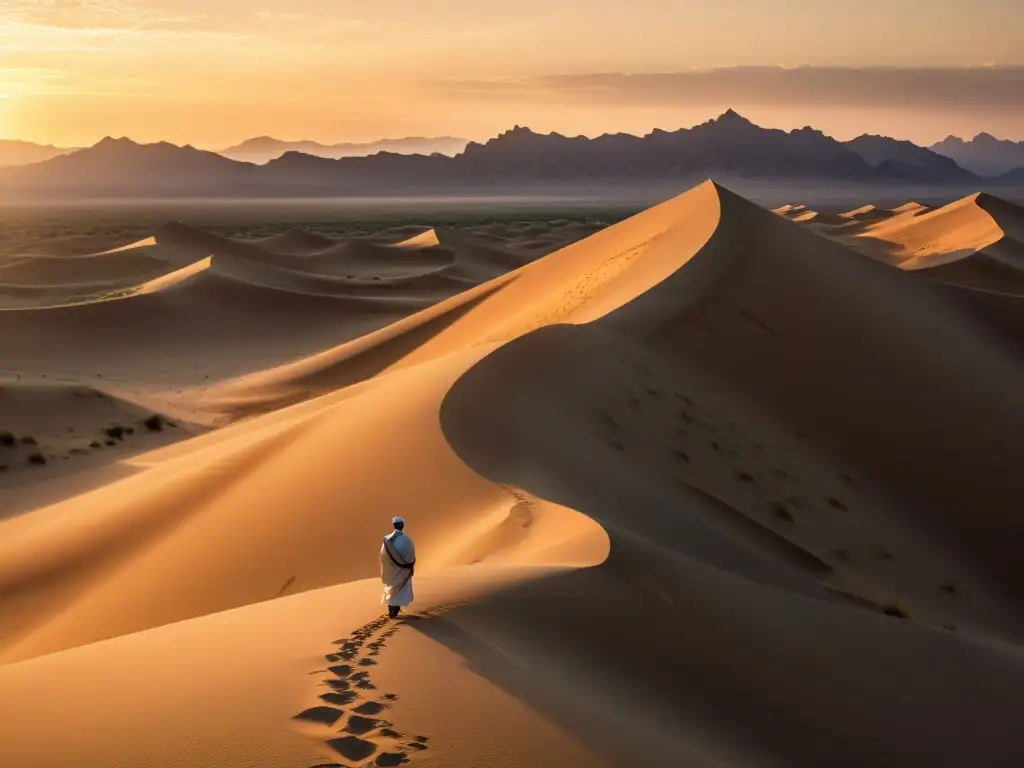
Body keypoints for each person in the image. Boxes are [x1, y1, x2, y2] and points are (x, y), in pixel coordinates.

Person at [380, 516, 415, 619]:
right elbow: (411, 558)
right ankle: (395, 608)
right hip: (403, 572)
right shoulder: (408, 540)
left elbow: (382, 556)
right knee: (400, 589)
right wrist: (409, 568)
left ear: (393, 525)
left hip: (390, 571)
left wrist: (388, 566)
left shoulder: (387, 540)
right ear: (402, 525)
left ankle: (392, 608)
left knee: (391, 588)